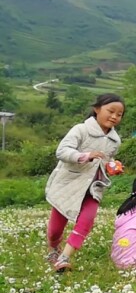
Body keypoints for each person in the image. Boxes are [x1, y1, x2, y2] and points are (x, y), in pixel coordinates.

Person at [45, 93, 125, 272]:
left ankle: (64, 257)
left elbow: (105, 160)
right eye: (110, 111)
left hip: (93, 186)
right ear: (96, 109)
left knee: (87, 219)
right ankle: (52, 247)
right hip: (69, 184)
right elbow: (62, 151)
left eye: (119, 114)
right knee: (55, 229)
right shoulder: (80, 130)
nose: (114, 117)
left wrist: (112, 166)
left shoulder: (115, 140)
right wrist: (85, 156)